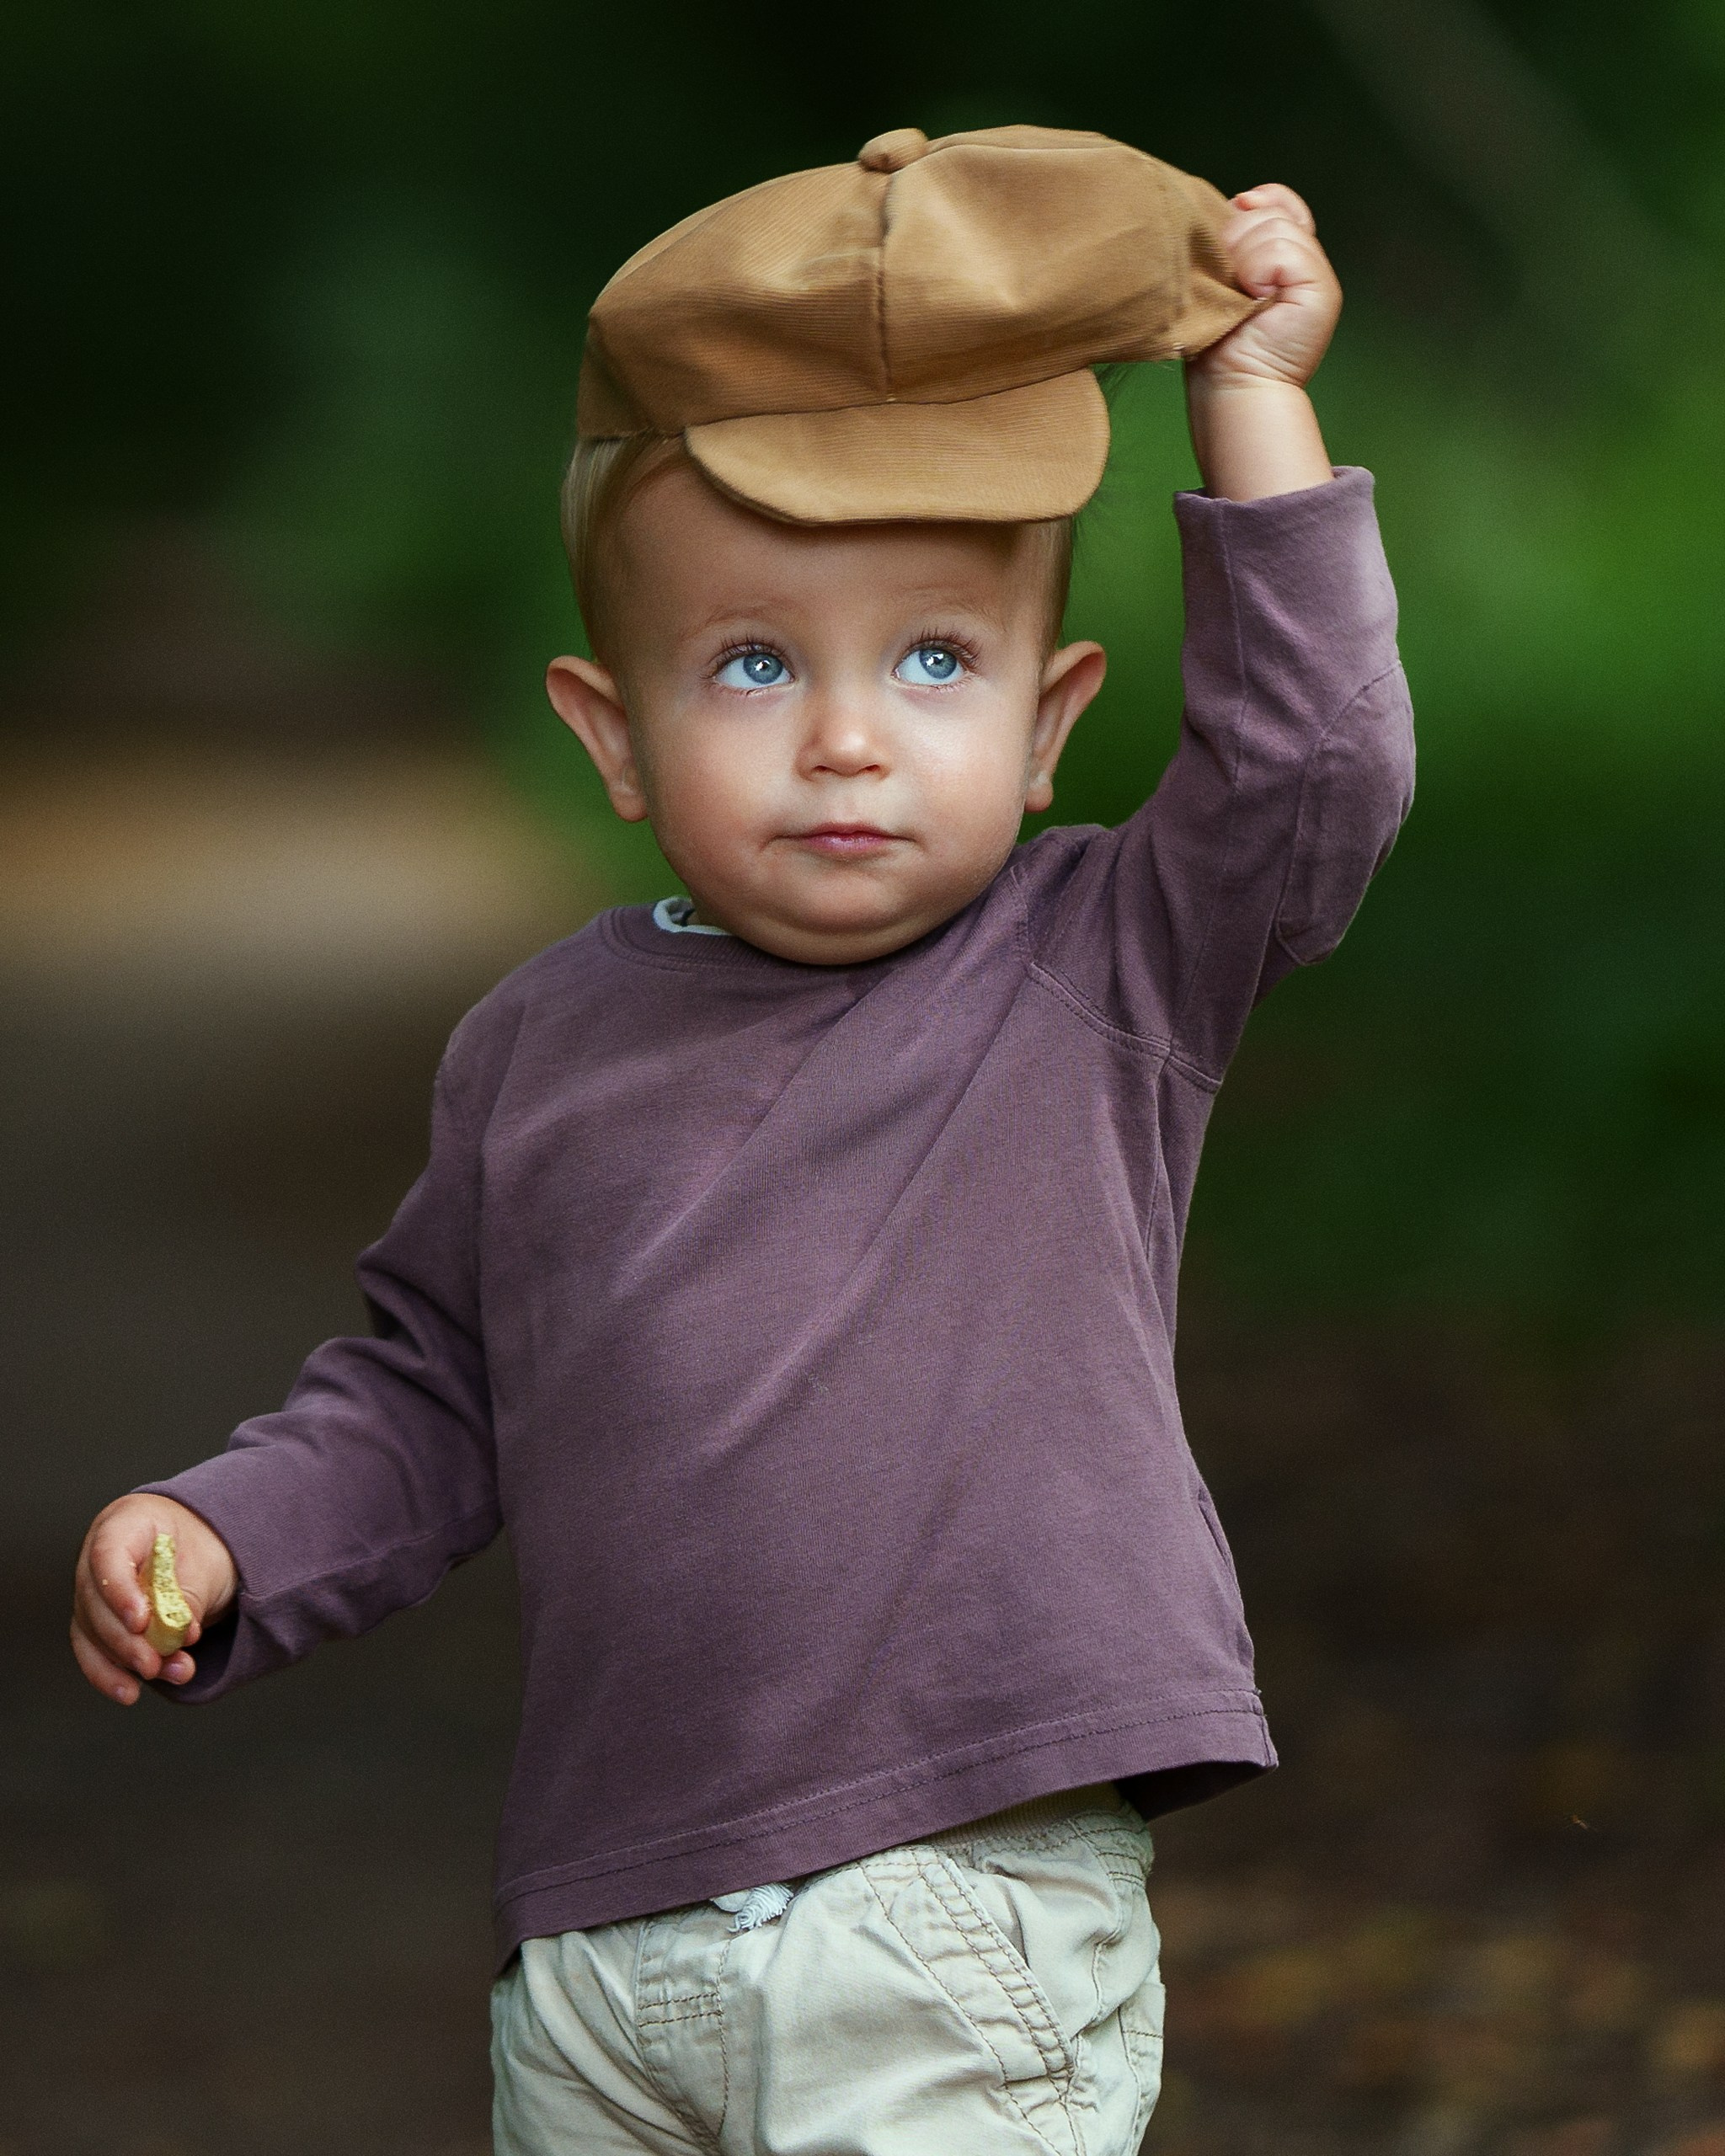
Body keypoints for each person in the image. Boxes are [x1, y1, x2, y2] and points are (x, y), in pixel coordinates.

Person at [69, 125, 1413, 2155]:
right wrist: (238, 1533)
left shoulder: (1095, 963)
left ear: (1052, 726)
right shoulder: (543, 1045)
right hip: (606, 1952)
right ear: (610, 730)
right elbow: (434, 1393)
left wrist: (1248, 399)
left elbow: (1310, 766)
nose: (847, 734)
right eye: (756, 660)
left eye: (934, 659)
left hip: (956, 1910)